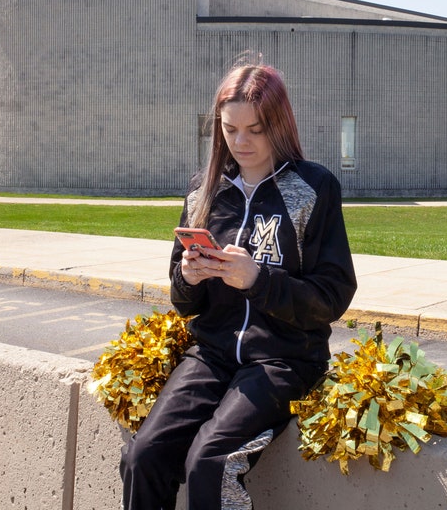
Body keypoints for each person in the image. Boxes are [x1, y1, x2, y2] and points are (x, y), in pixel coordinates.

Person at [119, 61, 358, 510]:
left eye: (256, 129)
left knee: (211, 459)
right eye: (230, 129)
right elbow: (183, 301)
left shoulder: (313, 188)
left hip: (283, 360)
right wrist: (188, 277)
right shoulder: (203, 190)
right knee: (143, 455)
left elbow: (332, 296)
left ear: (280, 124)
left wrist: (258, 279)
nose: (241, 142)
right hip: (211, 354)